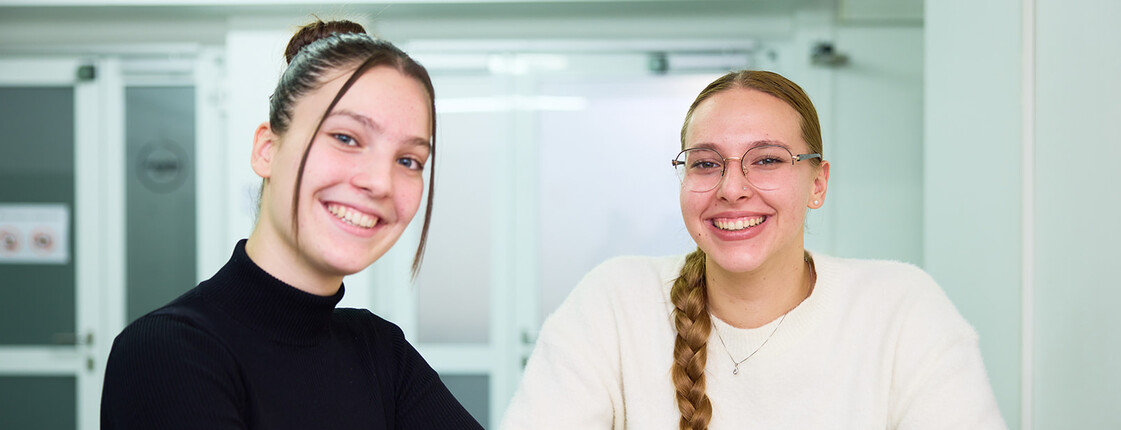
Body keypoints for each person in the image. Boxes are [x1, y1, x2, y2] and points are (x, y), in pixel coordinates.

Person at [500, 70, 1005, 429]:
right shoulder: (613, 302)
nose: (732, 188)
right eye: (705, 163)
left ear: (817, 183)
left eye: (766, 159)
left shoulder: (902, 309)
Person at [101, 20, 482, 430]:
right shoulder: (168, 352)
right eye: (346, 138)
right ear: (267, 150)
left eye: (409, 161)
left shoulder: (381, 353)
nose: (380, 182)